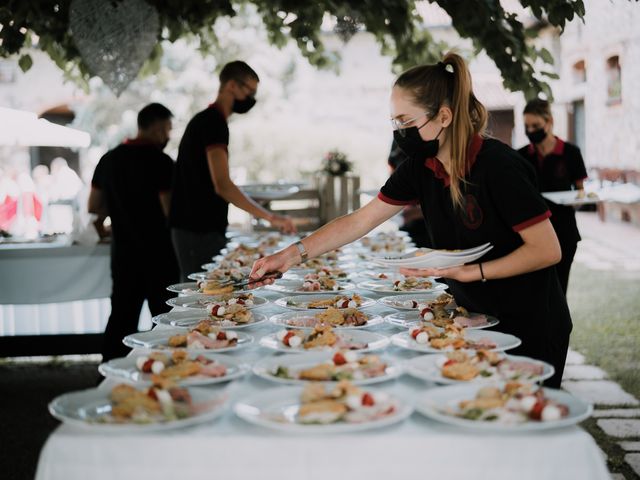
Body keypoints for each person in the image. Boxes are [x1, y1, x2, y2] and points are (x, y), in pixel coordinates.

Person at [250, 53, 572, 388]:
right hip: (475, 318)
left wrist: (471, 273)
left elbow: (547, 250)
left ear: (443, 116)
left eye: (405, 121)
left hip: (530, 323)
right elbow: (360, 221)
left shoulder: (499, 166)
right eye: (394, 122)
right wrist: (287, 257)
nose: (399, 132)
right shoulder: (420, 167)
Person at [169, 61, 296, 281]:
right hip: (196, 229)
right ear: (231, 86)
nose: (252, 99)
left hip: (198, 228)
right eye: (250, 91)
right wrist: (270, 217)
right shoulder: (212, 123)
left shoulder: (209, 121)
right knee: (203, 295)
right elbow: (223, 185)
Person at [88, 103, 179, 362]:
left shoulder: (109, 159)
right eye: (168, 129)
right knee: (163, 317)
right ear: (158, 127)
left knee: (121, 316)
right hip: (159, 254)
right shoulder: (161, 162)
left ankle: (110, 372)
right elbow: (168, 210)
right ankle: (162, 368)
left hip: (124, 253)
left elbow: (94, 207)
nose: (168, 136)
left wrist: (110, 225)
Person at [517, 99, 588, 295]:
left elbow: (580, 192)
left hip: (564, 232)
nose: (531, 130)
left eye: (536, 126)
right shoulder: (520, 156)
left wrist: (576, 201)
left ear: (549, 122)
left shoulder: (571, 153)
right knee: (534, 293)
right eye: (527, 126)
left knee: (559, 290)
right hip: (530, 235)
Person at [388, 139, 429, 247]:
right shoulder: (398, 141)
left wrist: (421, 211)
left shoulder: (429, 148)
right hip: (406, 223)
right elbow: (392, 169)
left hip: (429, 227)